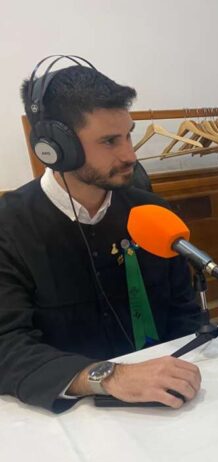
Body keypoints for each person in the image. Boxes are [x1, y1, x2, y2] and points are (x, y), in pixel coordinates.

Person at [0, 56, 204, 412]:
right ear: (56, 148)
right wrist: (108, 377)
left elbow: (185, 314)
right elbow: (7, 347)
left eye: (129, 135)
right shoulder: (9, 227)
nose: (130, 155)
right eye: (109, 141)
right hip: (67, 416)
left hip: (167, 404)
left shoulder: (153, 212)